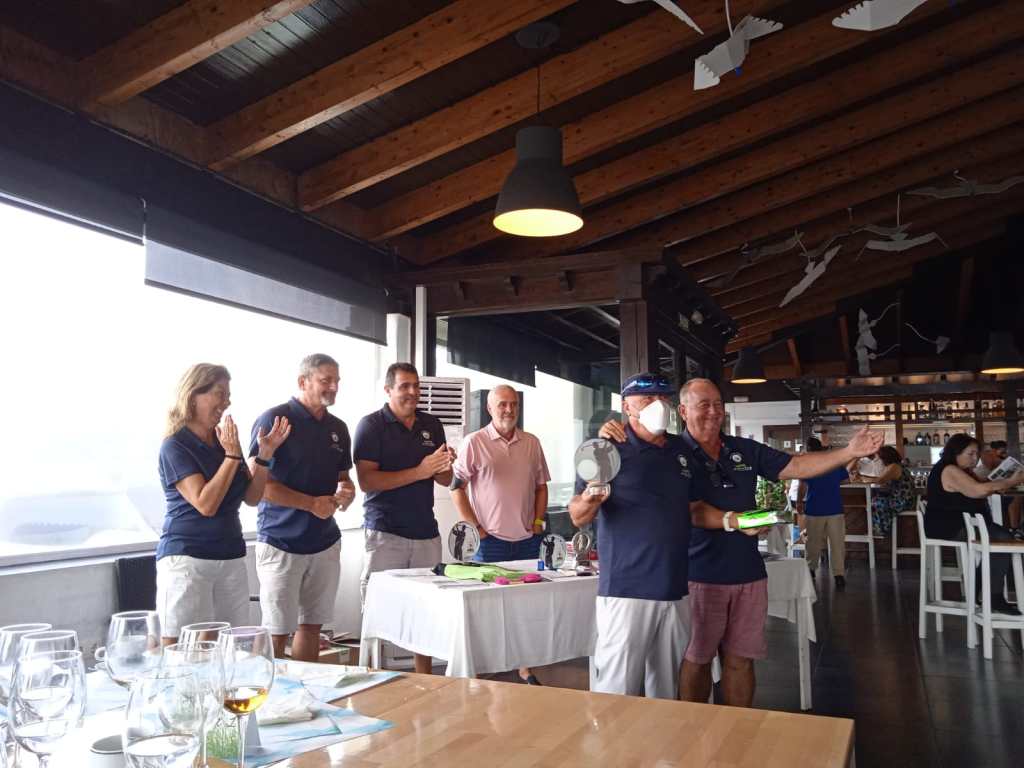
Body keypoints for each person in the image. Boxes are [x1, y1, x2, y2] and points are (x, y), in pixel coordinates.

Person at [600, 378, 884, 707]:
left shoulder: (742, 449)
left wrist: (849, 452)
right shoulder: (672, 450)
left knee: (741, 660)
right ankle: (694, 730)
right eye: (704, 405)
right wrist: (611, 431)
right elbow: (684, 506)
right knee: (696, 660)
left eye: (718, 404)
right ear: (683, 411)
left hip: (748, 572)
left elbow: (794, 466)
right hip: (696, 574)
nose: (713, 412)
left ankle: (740, 731)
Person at [571, 373, 748, 700]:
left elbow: (694, 508)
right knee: (617, 690)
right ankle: (615, 737)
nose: (658, 405)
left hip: (675, 589)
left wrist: (732, 520)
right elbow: (577, 515)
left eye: (663, 398)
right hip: (627, 591)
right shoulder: (606, 448)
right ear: (627, 407)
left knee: (667, 691)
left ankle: (663, 738)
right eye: (647, 399)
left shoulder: (680, 450)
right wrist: (590, 498)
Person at [157, 364, 290, 645]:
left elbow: (252, 497)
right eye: (220, 394)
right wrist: (230, 458)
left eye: (228, 395)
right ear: (193, 395)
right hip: (187, 557)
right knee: (179, 645)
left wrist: (264, 456)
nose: (226, 402)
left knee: (230, 645)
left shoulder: (224, 442)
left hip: (230, 554)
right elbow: (205, 504)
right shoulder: (175, 446)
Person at [250, 354, 355, 661]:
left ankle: (304, 688)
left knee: (311, 628)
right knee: (276, 631)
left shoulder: (338, 427)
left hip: (324, 542)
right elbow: (258, 486)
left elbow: (343, 478)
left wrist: (347, 492)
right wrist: (311, 504)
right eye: (325, 380)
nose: (334, 387)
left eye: (337, 381)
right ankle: (265, 691)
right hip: (280, 542)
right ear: (302, 382)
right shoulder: (274, 419)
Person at [354, 362, 453, 674]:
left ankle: (425, 679)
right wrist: (420, 471)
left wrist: (444, 465)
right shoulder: (370, 426)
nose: (412, 392)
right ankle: (373, 677)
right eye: (404, 386)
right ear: (388, 390)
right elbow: (367, 481)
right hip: (385, 534)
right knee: (379, 611)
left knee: (426, 613)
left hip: (426, 532)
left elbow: (445, 479)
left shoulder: (431, 424)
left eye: (416, 386)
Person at [451, 384, 550, 683]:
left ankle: (525, 667)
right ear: (489, 408)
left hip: (527, 542)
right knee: (486, 611)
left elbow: (541, 487)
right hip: (489, 543)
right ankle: (480, 671)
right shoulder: (474, 442)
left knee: (527, 609)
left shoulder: (532, 442)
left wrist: (537, 522)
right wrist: (477, 529)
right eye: (502, 404)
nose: (509, 409)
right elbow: (456, 488)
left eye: (513, 404)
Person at [925, 434, 1023, 614]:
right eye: (970, 454)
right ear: (955, 452)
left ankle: (980, 589)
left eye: (976, 454)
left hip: (960, 524)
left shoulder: (959, 470)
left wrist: (996, 485)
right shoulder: (949, 470)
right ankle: (991, 595)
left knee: (1001, 538)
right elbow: (977, 491)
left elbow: (977, 488)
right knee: (1003, 539)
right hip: (950, 527)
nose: (975, 458)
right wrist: (1010, 481)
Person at [796, 438, 849, 590]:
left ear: (808, 449)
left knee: (813, 541)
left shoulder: (807, 464)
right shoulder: (833, 461)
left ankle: (811, 569)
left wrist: (799, 502)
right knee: (837, 543)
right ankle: (839, 575)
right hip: (835, 507)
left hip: (815, 507)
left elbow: (802, 485)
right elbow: (846, 480)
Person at [851, 445, 915, 537]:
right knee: (877, 500)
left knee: (876, 502)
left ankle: (880, 530)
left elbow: (880, 480)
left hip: (903, 501)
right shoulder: (895, 466)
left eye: (879, 457)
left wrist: (861, 477)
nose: (878, 459)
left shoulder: (894, 467)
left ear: (885, 457)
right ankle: (880, 529)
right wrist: (861, 477)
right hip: (903, 499)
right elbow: (880, 480)